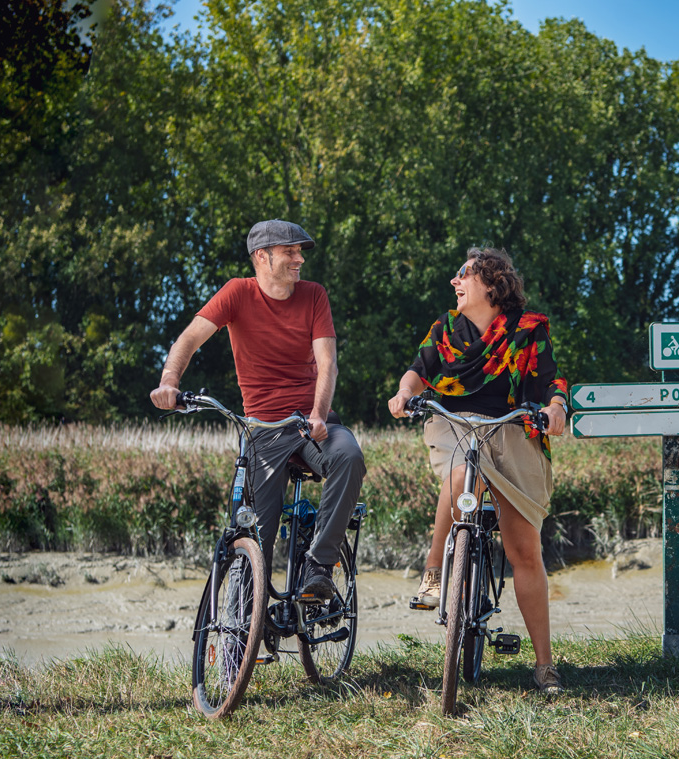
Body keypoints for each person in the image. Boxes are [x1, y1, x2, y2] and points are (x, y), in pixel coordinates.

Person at [150, 220, 366, 601]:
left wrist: (318, 413)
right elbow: (190, 338)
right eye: (291, 252)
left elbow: (327, 364)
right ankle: (241, 640)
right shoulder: (237, 293)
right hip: (263, 430)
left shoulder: (314, 295)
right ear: (262, 256)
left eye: (301, 251)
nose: (300, 259)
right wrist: (170, 381)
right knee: (255, 539)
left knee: (348, 456)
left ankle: (318, 566)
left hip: (309, 424)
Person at [387, 247, 569, 695]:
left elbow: (552, 380)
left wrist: (557, 407)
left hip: (510, 429)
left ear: (492, 283)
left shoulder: (528, 330)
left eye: (463, 274)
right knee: (458, 474)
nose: (454, 281)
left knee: (524, 551)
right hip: (453, 425)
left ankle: (545, 666)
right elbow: (418, 371)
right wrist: (402, 394)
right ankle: (433, 572)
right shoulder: (445, 329)